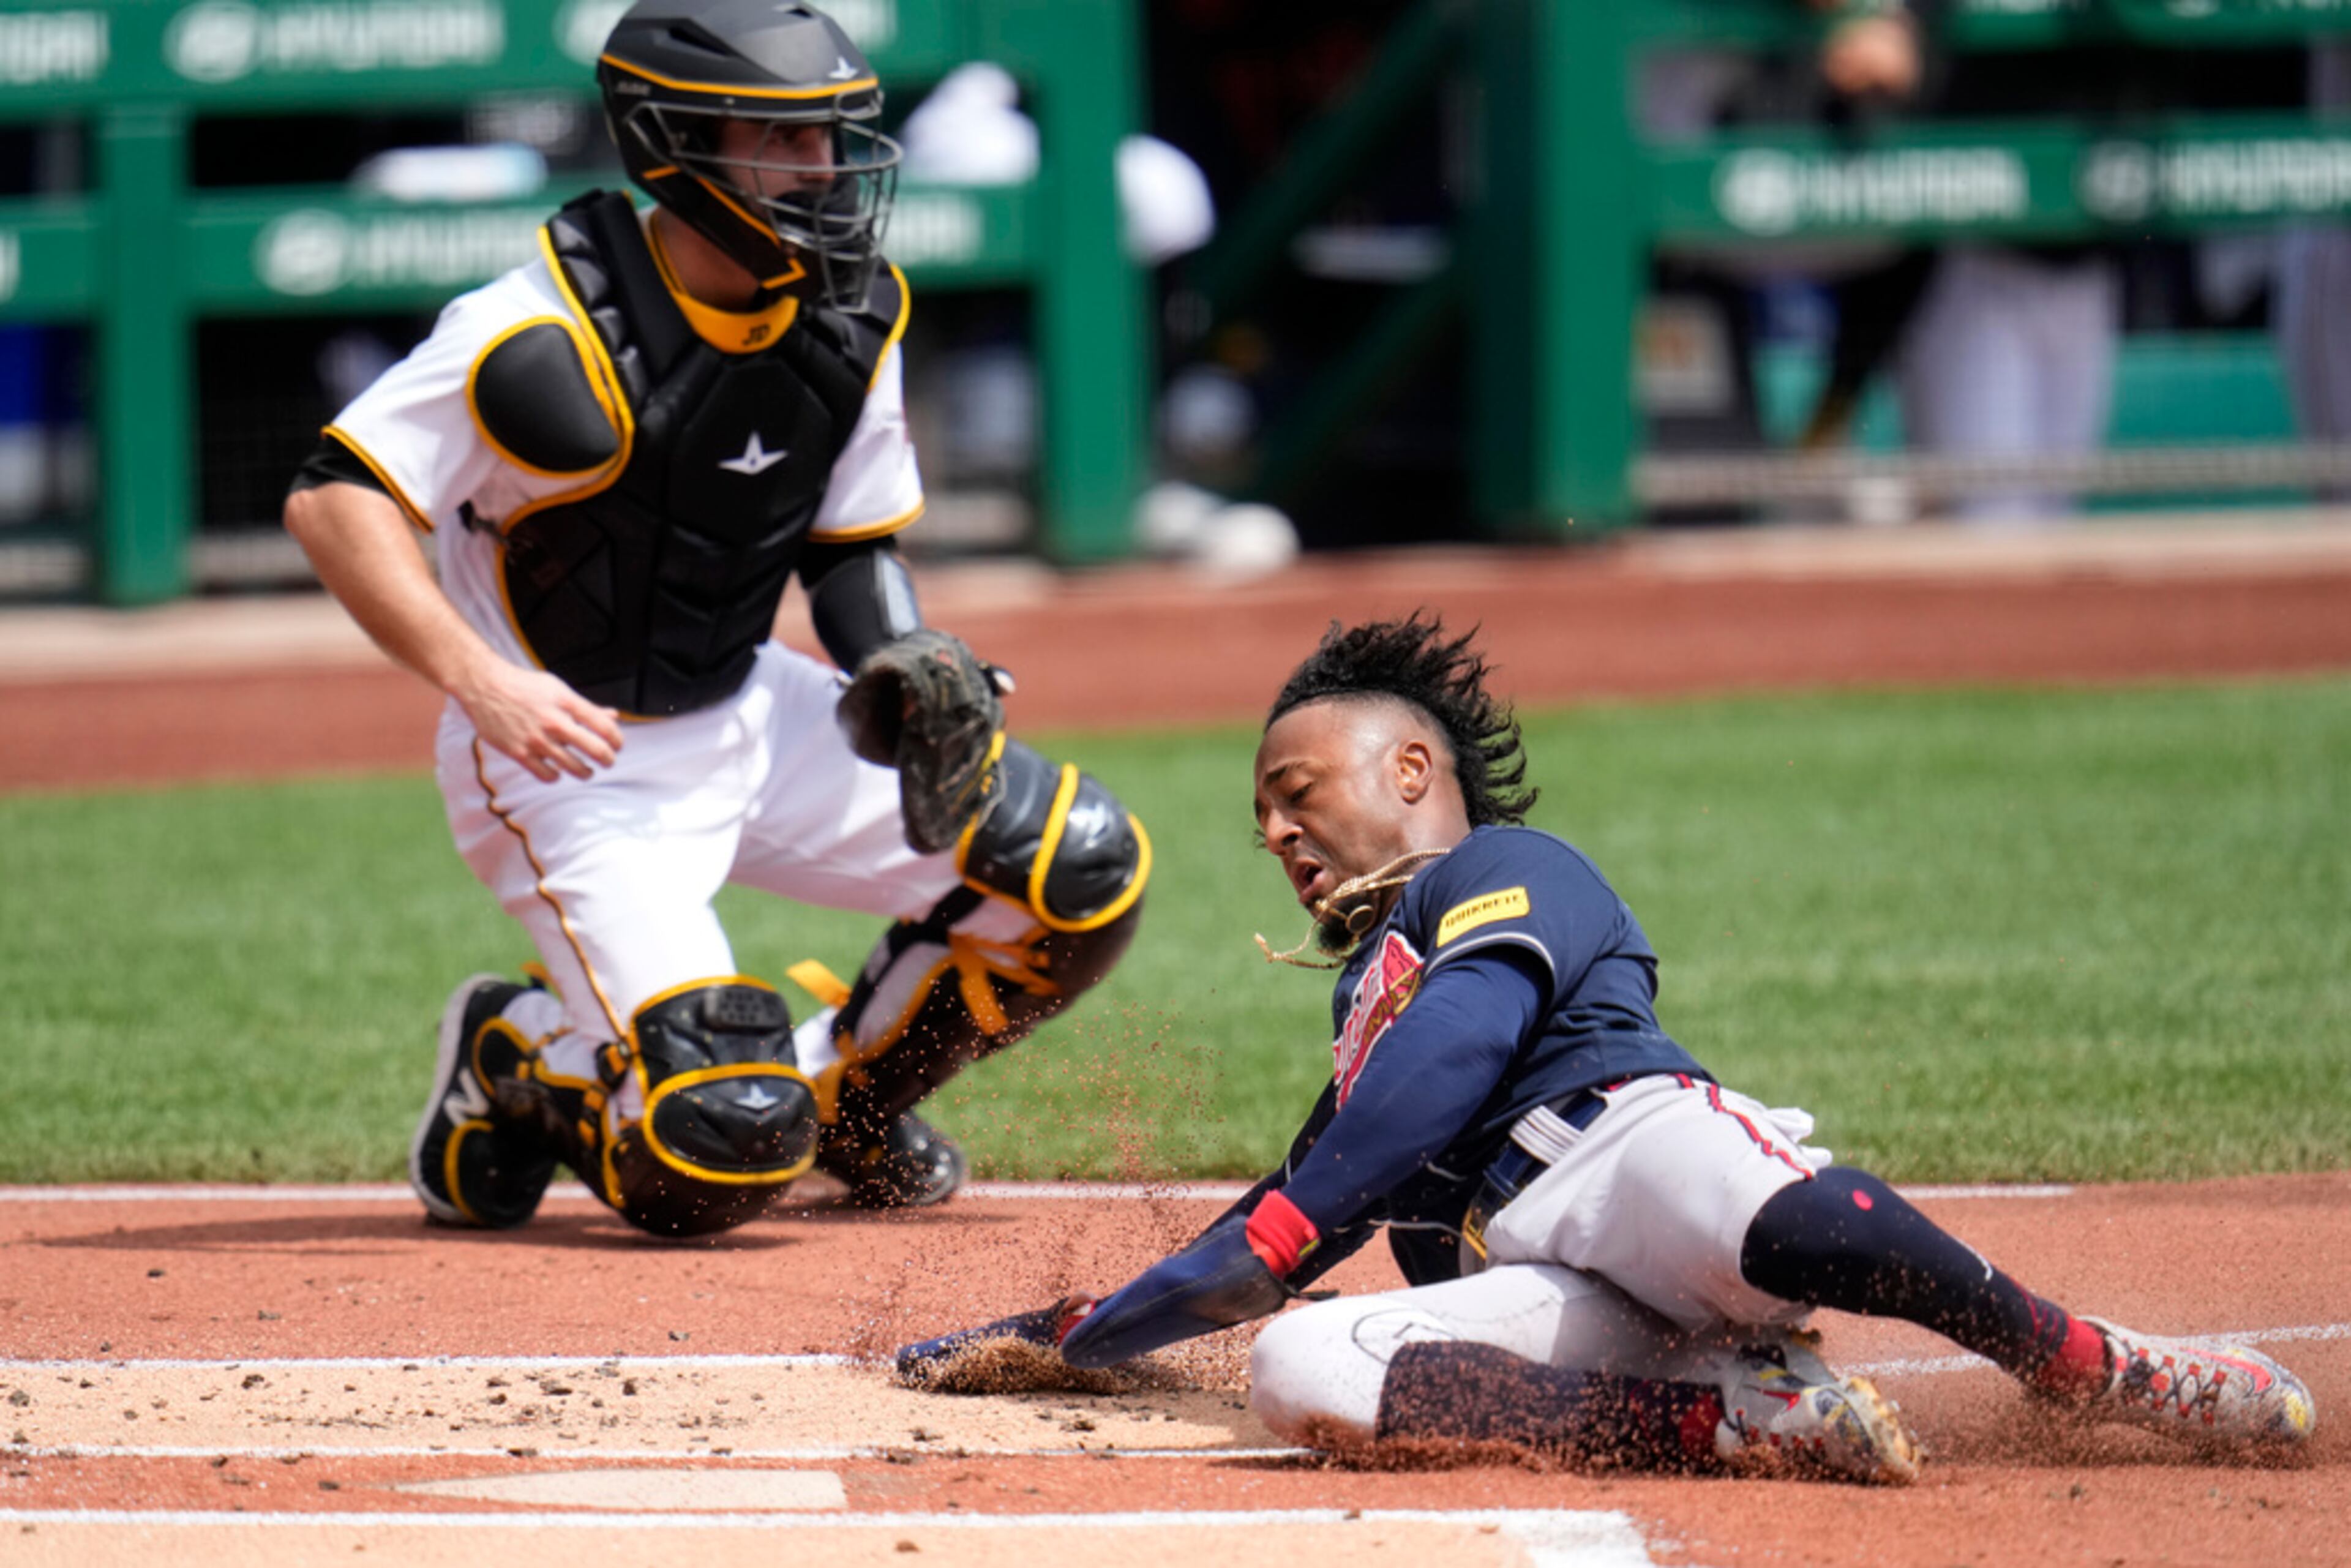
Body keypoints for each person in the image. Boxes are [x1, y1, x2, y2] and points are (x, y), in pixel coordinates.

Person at [897, 615, 2316, 1483]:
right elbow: (1294, 1208)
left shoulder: (1509, 864)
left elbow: (1454, 1056)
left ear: (1409, 771)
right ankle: (1741, 1419)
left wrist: (1276, 1231)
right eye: (1260, 815)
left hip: (1634, 1153)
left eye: (1293, 790)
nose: (1272, 831)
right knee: (1305, 1375)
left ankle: (2085, 1362)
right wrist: (1063, 1341)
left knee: (1747, 1203)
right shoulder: (1359, 1019)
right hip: (1555, 1275)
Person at [281, 0, 1147, 1237]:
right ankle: (518, 1056)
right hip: (573, 762)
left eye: (837, 140)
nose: (828, 172)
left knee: (1077, 871)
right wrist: (479, 681)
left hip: (757, 709)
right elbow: (338, 495)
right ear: (677, 147)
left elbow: (850, 548)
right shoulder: (535, 333)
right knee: (720, 1146)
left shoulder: (853, 313)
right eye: (784, 142)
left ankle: (851, 1110)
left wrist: (901, 665)